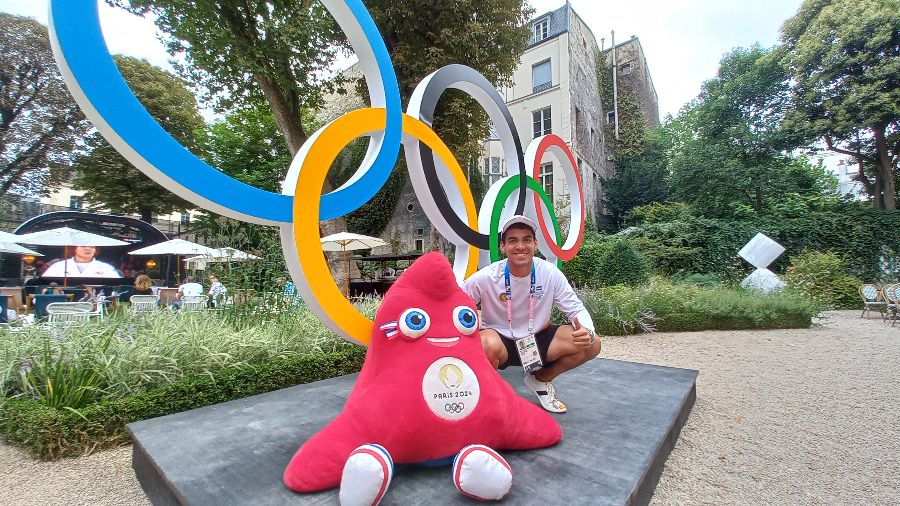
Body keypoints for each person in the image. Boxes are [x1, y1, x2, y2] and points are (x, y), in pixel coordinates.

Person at [462, 215, 601, 413]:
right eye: (512, 240)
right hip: (500, 341)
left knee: (593, 344)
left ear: (535, 244)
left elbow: (575, 308)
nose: (520, 246)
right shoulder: (487, 276)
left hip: (536, 340)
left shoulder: (549, 272)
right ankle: (486, 398)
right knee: (485, 343)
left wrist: (587, 331)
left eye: (526, 239)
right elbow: (457, 303)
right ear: (503, 246)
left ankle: (540, 380)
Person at [41, 245, 121, 278]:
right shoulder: (58, 266)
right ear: (74, 248)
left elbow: (117, 290)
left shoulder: (106, 268)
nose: (88, 249)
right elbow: (44, 288)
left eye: (92, 247)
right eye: (83, 246)